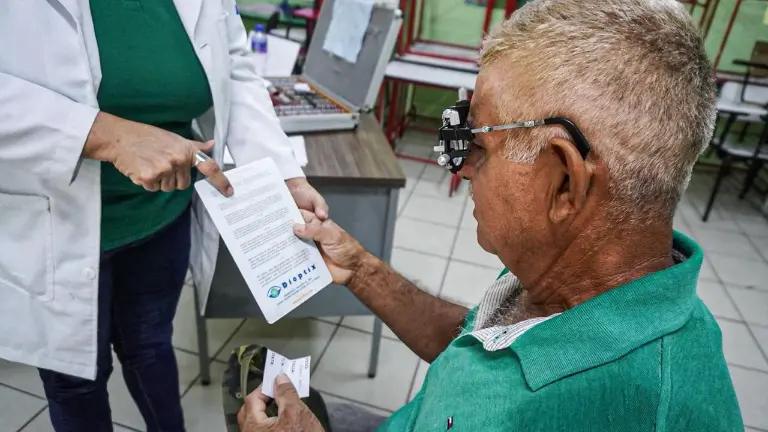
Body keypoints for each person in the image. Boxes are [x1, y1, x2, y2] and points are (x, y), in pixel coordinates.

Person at [234, 0, 746, 430]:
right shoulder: (569, 270)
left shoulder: (626, 408)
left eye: (476, 144)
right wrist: (362, 269)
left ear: (563, 181)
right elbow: (478, 348)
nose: (463, 170)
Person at [0, 1, 326, 431]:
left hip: (162, 215)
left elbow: (236, 71)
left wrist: (282, 173)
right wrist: (104, 136)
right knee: (76, 380)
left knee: (150, 345)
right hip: (50, 219)